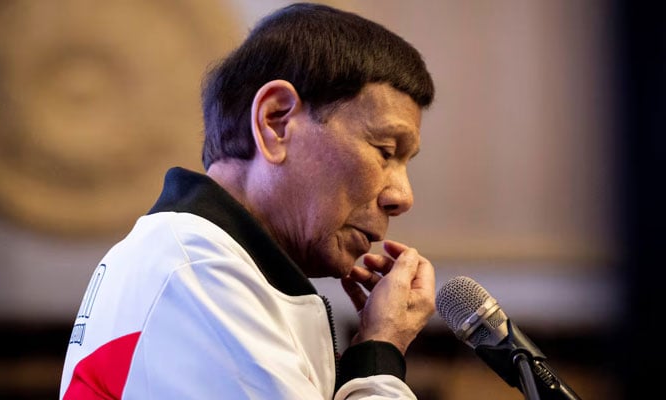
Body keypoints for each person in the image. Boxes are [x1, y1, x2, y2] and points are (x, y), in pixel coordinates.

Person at [59, 2, 436, 399]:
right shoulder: (198, 270)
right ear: (275, 121)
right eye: (385, 149)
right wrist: (381, 351)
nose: (402, 197)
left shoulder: (192, 260)